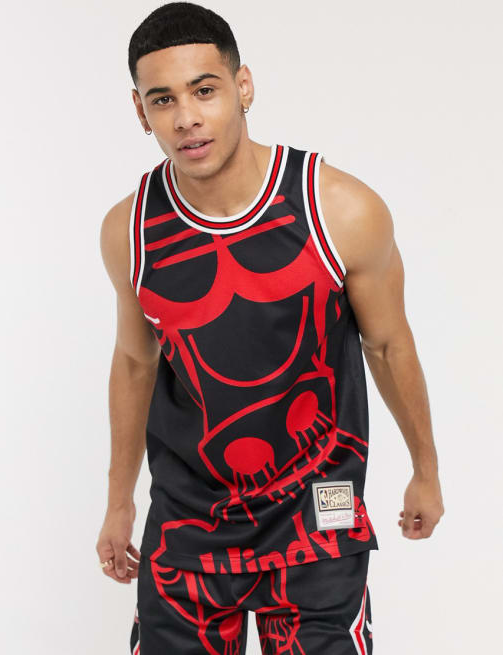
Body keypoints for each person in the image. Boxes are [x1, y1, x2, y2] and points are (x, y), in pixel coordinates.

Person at [96, 2, 445, 653]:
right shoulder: (130, 228)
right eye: (163, 99)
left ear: (243, 86)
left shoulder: (339, 208)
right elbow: (136, 361)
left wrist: (425, 467)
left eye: (204, 90)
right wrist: (119, 501)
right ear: (141, 112)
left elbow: (387, 342)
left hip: (318, 514)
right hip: (189, 524)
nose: (186, 117)